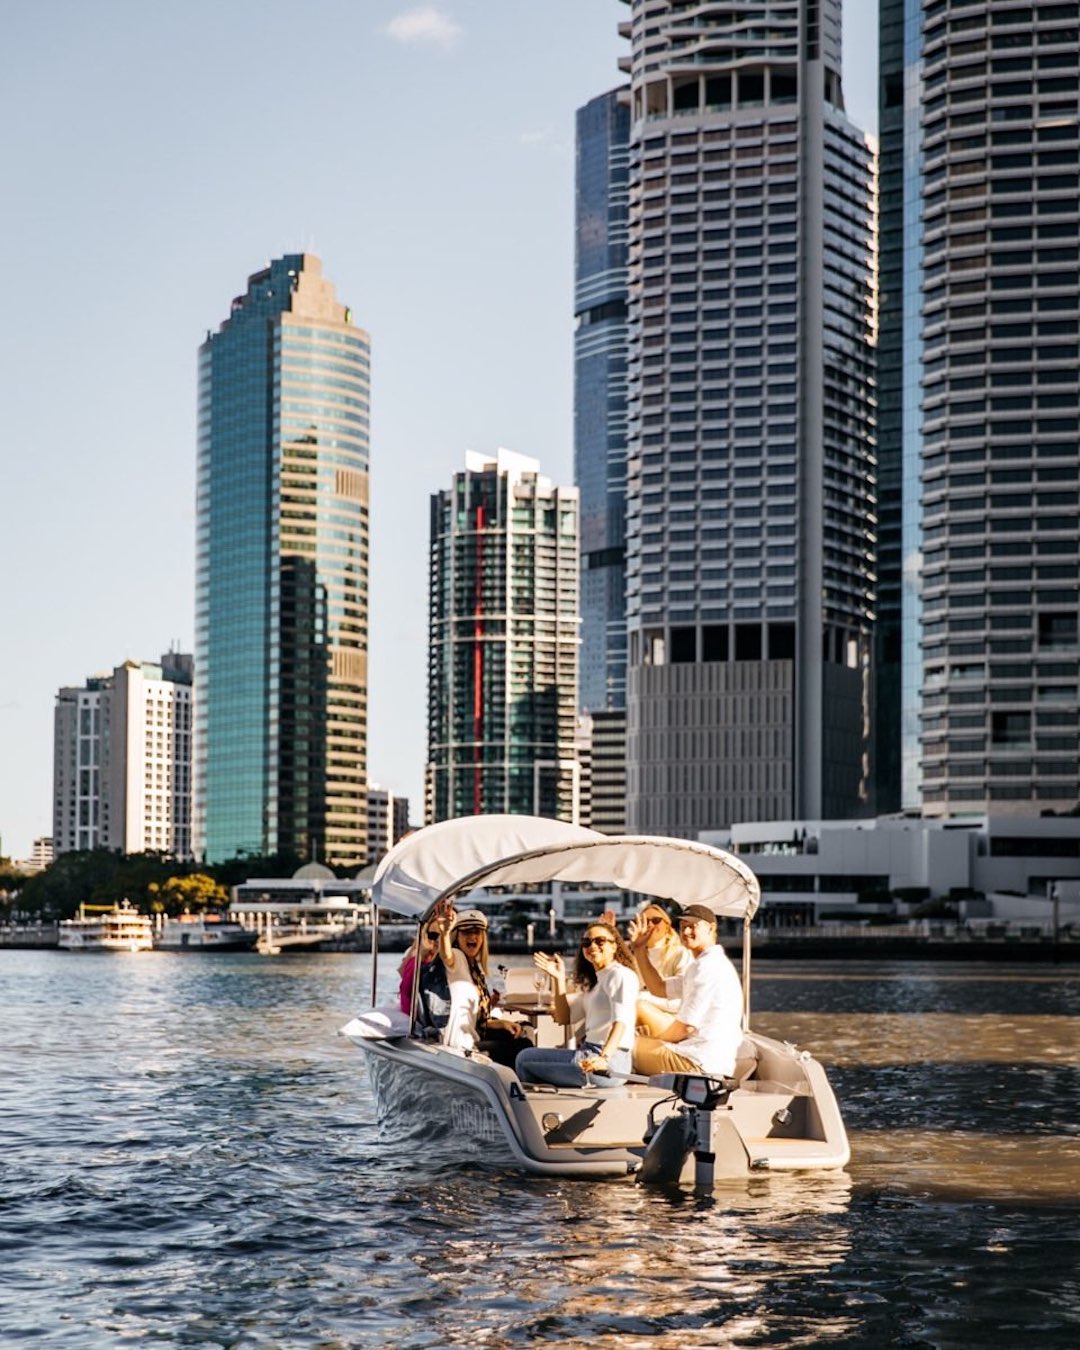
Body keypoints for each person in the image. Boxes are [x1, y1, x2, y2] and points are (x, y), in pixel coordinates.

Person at [631, 904, 755, 1081]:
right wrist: (639, 950)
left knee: (624, 1045)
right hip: (706, 1055)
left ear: (711, 928)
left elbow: (685, 1027)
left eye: (693, 926)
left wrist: (655, 1041)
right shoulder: (705, 964)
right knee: (635, 1033)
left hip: (698, 1062)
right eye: (682, 927)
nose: (686, 931)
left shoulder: (706, 967)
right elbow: (658, 988)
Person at [515, 920, 640, 1088]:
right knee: (527, 1057)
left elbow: (621, 1021)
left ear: (614, 946)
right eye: (586, 942)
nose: (592, 945)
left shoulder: (620, 975)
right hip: (592, 1054)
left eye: (600, 941)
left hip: (608, 1061)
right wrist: (558, 978)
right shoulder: (596, 983)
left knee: (524, 1059)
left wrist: (604, 1058)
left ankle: (530, 1107)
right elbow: (563, 1018)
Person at [436, 907, 528, 1066]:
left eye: (477, 932)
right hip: (463, 1045)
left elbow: (478, 1019)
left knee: (523, 1030)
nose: (472, 936)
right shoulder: (458, 958)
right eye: (466, 932)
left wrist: (500, 1020)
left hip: (475, 1035)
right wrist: (444, 933)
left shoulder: (475, 969)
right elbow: (447, 956)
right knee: (523, 1047)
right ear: (456, 937)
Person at [625, 901, 692, 1035]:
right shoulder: (632, 955)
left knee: (637, 1006)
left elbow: (683, 1002)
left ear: (667, 926)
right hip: (637, 1019)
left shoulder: (680, 954)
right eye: (645, 921)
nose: (650, 924)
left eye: (656, 920)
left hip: (673, 1022)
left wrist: (642, 997)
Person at [398, 922, 451, 1034]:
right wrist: (421, 955)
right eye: (433, 935)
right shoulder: (415, 957)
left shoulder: (457, 960)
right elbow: (406, 991)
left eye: (443, 934)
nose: (438, 940)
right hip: (423, 1024)